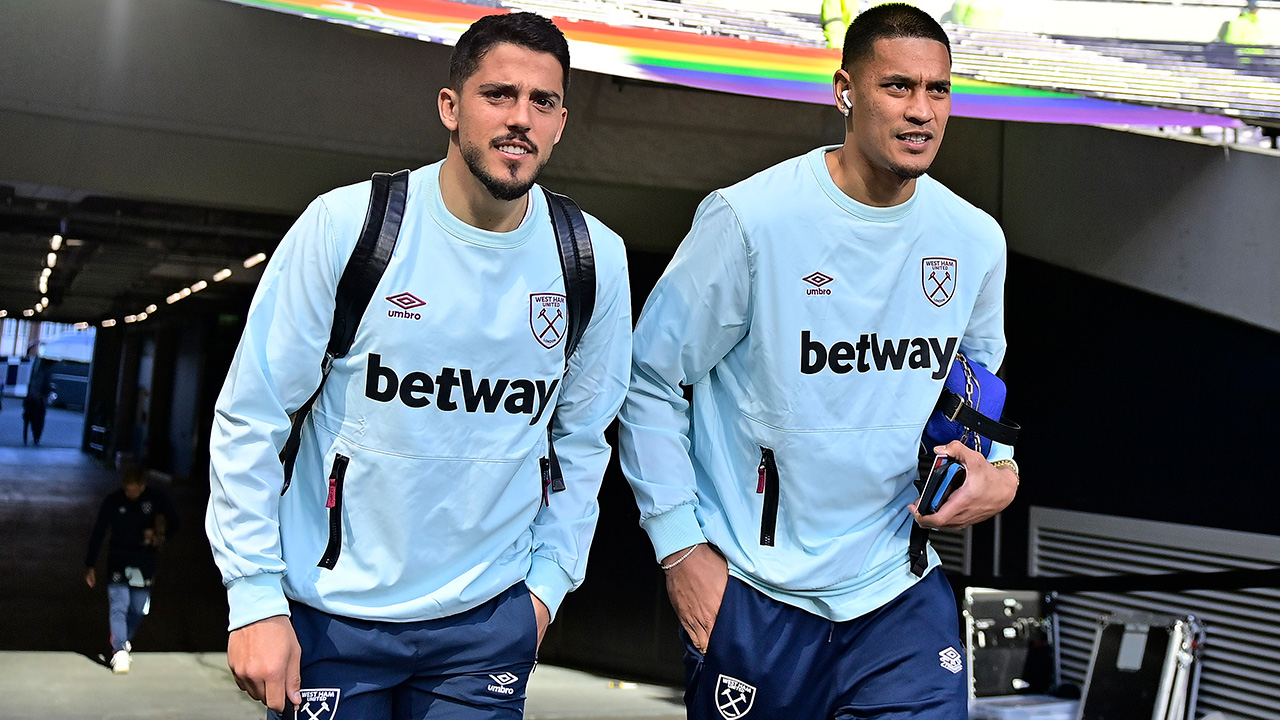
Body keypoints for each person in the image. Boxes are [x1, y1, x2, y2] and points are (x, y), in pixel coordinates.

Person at [205, 11, 631, 719]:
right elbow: (251, 416)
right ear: (450, 106)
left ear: (561, 122)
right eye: (498, 95)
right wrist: (253, 597)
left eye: (543, 101)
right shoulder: (349, 227)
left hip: (486, 629)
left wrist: (547, 588)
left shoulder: (593, 260)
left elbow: (582, 442)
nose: (520, 118)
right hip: (334, 619)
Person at [618, 5, 1019, 718]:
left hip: (897, 593)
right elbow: (649, 379)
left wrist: (1000, 474)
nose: (921, 110)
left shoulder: (973, 239)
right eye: (898, 87)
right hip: (759, 594)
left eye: (938, 90)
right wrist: (681, 553)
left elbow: (979, 386)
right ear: (845, 92)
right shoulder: (750, 221)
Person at [84, 468, 179, 674]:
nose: (131, 495)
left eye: (135, 491)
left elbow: (174, 522)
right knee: (119, 605)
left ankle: (123, 638)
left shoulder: (156, 499)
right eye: (128, 490)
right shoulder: (113, 501)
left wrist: (159, 536)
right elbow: (99, 532)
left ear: (143, 486)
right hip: (118, 560)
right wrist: (90, 564)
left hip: (144, 562)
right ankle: (118, 651)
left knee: (137, 608)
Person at [22, 380, 47, 446]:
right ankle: (35, 438)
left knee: (26, 427)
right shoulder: (37, 401)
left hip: (27, 414)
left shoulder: (28, 399)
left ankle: (25, 439)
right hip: (33, 415)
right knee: (34, 426)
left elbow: (24, 404)